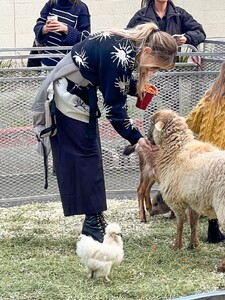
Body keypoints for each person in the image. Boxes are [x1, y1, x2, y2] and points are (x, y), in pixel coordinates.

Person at [32, 22, 178, 243]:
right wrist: (136, 137)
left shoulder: (127, 47)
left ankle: (95, 217)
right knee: (85, 158)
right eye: (155, 67)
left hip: (78, 93)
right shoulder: (120, 55)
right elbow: (114, 109)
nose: (152, 72)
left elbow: (109, 81)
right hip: (68, 95)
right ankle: (92, 223)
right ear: (147, 51)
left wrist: (135, 88)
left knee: (91, 156)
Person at [186, 62, 225, 244]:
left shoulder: (211, 95)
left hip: (206, 155)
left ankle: (213, 230)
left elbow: (192, 122)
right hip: (222, 155)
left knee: (213, 193)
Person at [31, 0, 90, 67]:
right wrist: (44, 28)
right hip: (45, 61)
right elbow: (38, 25)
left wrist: (66, 29)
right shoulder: (51, 4)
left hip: (67, 66)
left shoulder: (81, 8)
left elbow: (85, 39)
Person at [127, 0, 206, 47]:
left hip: (173, 65)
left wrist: (186, 38)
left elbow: (199, 32)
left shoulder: (180, 14)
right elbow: (128, 36)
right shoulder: (141, 16)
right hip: (150, 65)